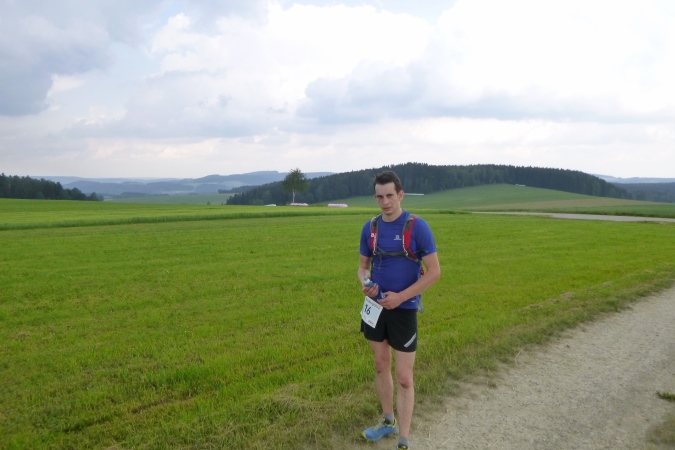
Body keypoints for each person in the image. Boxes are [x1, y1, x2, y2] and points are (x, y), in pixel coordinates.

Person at [358, 171, 441, 450]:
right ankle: (387, 422)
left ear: (400, 195)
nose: (385, 202)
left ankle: (403, 439)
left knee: (405, 377)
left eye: (390, 196)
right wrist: (365, 284)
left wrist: (401, 297)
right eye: (380, 197)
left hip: (404, 309)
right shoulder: (370, 228)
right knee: (380, 365)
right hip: (375, 307)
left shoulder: (418, 227)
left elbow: (434, 272)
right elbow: (362, 267)